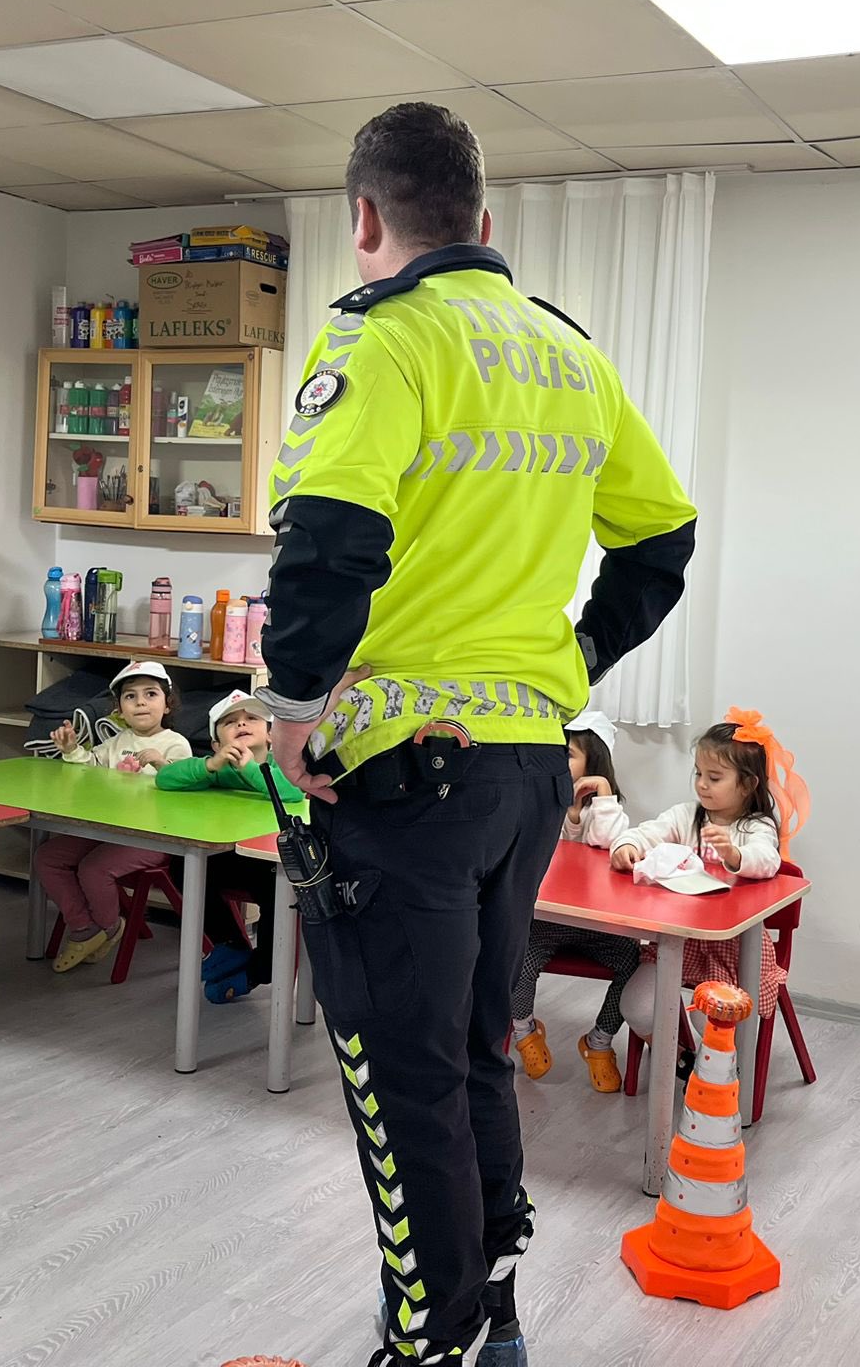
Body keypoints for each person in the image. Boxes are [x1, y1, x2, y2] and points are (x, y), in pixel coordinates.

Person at [256, 101, 697, 1367]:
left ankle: (430, 1340)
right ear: (483, 220)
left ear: (363, 219)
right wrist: (572, 662)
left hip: (404, 770)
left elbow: (329, 541)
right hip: (524, 767)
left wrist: (291, 713)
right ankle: (487, 1315)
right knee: (471, 1050)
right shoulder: (567, 353)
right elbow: (661, 541)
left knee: (398, 1073)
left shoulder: (383, 340)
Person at [617, 712, 808, 1066]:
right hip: (679, 939)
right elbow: (647, 832)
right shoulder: (685, 816)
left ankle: (718, 1075)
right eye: (698, 774)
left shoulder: (756, 827)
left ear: (747, 785)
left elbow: (767, 861)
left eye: (715, 777)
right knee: (636, 1006)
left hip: (733, 949)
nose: (702, 785)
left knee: (711, 1019)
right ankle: (681, 1062)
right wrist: (627, 846)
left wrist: (734, 855)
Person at [508, 709, 638, 1093]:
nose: (557, 761)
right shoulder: (540, 803)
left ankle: (599, 1041)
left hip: (599, 927)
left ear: (593, 762)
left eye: (566, 754)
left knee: (634, 964)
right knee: (516, 961)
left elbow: (606, 842)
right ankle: (524, 1031)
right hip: (548, 924)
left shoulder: (609, 811)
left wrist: (602, 796)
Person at [34, 661, 192, 974]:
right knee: (47, 857)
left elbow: (188, 787)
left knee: (94, 869)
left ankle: (108, 927)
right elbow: (90, 770)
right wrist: (71, 749)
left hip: (153, 835)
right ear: (119, 709)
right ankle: (85, 927)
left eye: (150, 694)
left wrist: (162, 764)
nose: (141, 702)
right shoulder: (117, 742)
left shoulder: (176, 744)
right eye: (131, 696)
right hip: (108, 829)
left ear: (167, 704)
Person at [156, 690, 306, 1003]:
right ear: (216, 743)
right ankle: (231, 944)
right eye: (230, 722)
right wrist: (210, 765)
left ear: (271, 736)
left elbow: (292, 793)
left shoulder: (281, 764)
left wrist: (250, 768)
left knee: (278, 892)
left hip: (272, 861)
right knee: (184, 864)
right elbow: (165, 779)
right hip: (234, 856)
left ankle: (260, 970)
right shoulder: (219, 768)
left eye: (251, 718)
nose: (241, 724)